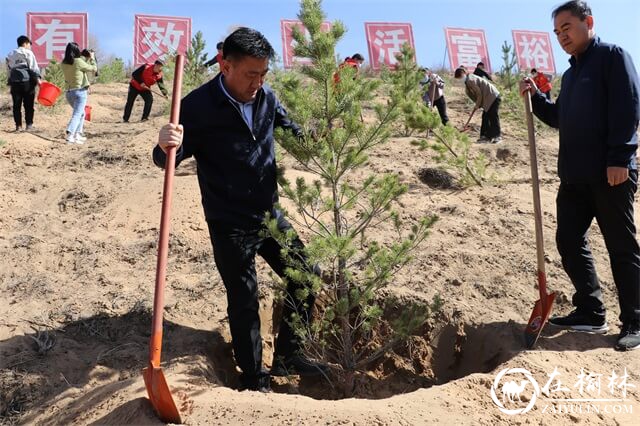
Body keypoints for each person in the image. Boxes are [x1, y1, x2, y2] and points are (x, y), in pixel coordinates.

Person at [154, 27, 327, 392]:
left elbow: (294, 135)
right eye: (251, 74)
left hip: (268, 214)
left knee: (306, 275)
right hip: (228, 222)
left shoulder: (267, 98)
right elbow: (167, 159)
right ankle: (253, 377)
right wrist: (165, 144)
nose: (258, 82)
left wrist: (320, 135)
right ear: (225, 65)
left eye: (264, 74)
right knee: (244, 299)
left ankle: (287, 356)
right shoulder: (197, 107)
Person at [520, 0, 640, 351]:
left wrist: (620, 157)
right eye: (557, 32)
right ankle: (590, 310)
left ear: (588, 22)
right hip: (574, 176)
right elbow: (561, 117)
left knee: (621, 246)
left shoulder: (612, 57)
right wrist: (538, 99)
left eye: (567, 28)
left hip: (610, 173)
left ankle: (635, 318)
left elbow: (628, 105)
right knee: (569, 240)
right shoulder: (571, 75)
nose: (562, 37)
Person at [454, 66, 502, 143]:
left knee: (493, 116)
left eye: (461, 76)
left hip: (492, 96)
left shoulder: (470, 79)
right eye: (458, 78)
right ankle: (485, 137)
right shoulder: (467, 83)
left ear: (465, 73)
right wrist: (478, 104)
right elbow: (475, 96)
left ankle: (497, 136)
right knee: (485, 117)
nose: (460, 79)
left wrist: (477, 105)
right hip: (487, 98)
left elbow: (479, 94)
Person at [61, 42, 97, 144]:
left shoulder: (63, 63)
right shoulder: (78, 62)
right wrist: (92, 58)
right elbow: (93, 69)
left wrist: (85, 58)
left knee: (81, 113)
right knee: (77, 113)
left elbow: (77, 69)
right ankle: (70, 134)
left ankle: (77, 134)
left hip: (69, 93)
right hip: (80, 92)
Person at [5, 35, 40, 132]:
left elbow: (8, 69)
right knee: (28, 105)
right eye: (29, 44)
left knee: (16, 105)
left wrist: (9, 80)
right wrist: (38, 80)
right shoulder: (28, 53)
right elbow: (33, 68)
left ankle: (18, 126)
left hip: (15, 82)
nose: (30, 46)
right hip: (27, 82)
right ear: (25, 43)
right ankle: (29, 125)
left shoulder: (10, 54)